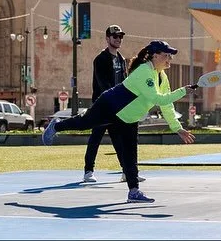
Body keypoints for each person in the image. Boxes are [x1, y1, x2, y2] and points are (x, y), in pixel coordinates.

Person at [42, 39, 196, 203]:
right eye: (167, 55)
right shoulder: (144, 71)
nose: (170, 59)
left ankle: (134, 192)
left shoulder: (161, 77)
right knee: (83, 123)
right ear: (155, 56)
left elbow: (167, 105)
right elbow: (157, 99)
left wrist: (177, 128)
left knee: (130, 152)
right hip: (110, 105)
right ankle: (55, 126)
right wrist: (183, 91)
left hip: (128, 117)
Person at [82, 25, 145, 184]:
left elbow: (126, 82)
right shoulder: (100, 59)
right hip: (103, 105)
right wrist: (115, 99)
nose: (118, 39)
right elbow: (103, 83)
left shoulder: (121, 59)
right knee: (95, 137)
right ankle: (88, 171)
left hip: (118, 107)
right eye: (115, 36)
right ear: (107, 38)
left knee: (120, 140)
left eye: (120, 37)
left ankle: (126, 172)